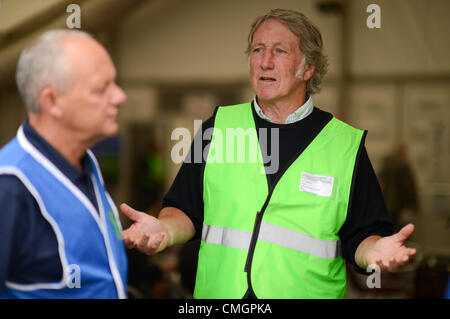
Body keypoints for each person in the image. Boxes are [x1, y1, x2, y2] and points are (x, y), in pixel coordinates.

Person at [120, 9, 416, 299]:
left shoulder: (344, 146)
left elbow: (363, 234)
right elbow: (183, 208)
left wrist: (375, 251)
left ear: (308, 68)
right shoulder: (219, 127)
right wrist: (164, 231)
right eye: (257, 50)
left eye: (280, 52)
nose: (264, 62)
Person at [0, 30, 128, 298]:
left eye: (114, 84)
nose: (119, 97)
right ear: (52, 101)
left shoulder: (85, 163)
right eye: (101, 88)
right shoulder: (9, 186)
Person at [379, 140, 420, 231]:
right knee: (404, 231)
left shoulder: (386, 165)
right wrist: (414, 205)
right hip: (401, 205)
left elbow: (380, 183)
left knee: (390, 231)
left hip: (387, 205)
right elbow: (408, 188)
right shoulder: (403, 166)